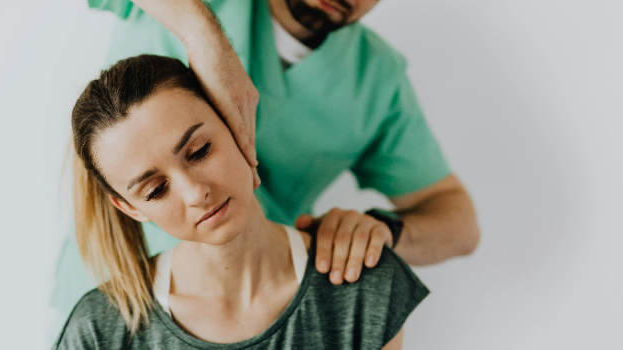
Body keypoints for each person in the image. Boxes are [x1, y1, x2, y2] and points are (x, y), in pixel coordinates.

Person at [52, 0, 480, 330]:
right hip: (121, 296)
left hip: (264, 311)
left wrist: (383, 231)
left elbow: (459, 224)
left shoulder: (376, 79)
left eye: (200, 150)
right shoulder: (96, 325)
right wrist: (204, 36)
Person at [54, 54, 427, 350]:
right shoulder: (99, 330)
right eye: (155, 190)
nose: (195, 193)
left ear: (238, 127)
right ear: (131, 208)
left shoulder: (364, 289)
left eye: (199, 151)